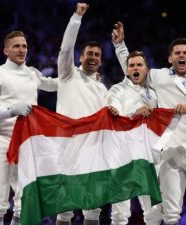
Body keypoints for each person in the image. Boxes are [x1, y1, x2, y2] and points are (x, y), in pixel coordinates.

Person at [112, 23, 186, 225]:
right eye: (177, 53)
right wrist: (120, 46)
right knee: (171, 214)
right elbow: (134, 69)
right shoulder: (158, 76)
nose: (181, 56)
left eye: (185, 53)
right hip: (169, 150)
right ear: (169, 58)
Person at [0, 31, 57, 225]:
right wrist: (11, 110)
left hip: (26, 142)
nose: (22, 50)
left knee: (24, 202)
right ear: (6, 50)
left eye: (24, 46)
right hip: (2, 141)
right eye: (16, 46)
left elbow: (53, 84)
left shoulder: (32, 73)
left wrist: (81, 77)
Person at [55, 3, 108, 225]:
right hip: (66, 147)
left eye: (97, 54)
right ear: (80, 58)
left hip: (93, 150)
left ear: (101, 60)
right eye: (89, 54)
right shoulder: (68, 75)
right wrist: (77, 17)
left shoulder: (104, 89)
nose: (93, 57)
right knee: (64, 208)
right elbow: (66, 48)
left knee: (93, 209)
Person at [106, 50, 159, 225]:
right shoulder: (117, 90)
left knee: (154, 212)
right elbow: (112, 114)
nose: (135, 68)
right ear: (127, 70)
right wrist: (133, 114)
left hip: (148, 156)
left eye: (139, 65)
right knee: (120, 214)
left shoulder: (154, 93)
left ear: (146, 69)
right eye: (131, 65)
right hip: (123, 156)